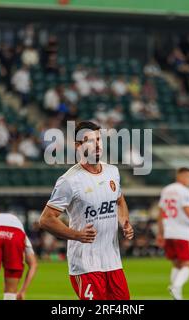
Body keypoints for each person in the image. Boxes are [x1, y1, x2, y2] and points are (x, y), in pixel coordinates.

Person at [39, 121, 134, 300]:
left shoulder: (112, 172)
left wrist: (124, 222)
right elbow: (46, 219)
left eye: (99, 139)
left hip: (113, 262)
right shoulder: (69, 181)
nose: (97, 144)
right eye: (89, 140)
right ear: (78, 146)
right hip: (85, 263)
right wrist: (76, 235)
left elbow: (120, 200)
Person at [156, 167, 189, 300]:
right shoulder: (185, 191)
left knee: (177, 264)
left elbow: (161, 213)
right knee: (187, 264)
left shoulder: (166, 190)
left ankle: (176, 295)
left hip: (168, 231)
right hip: (182, 232)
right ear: (182, 176)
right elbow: (187, 210)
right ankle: (176, 287)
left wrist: (160, 232)